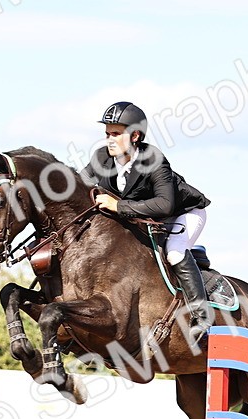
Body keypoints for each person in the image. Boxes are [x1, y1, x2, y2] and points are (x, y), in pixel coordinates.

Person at [79, 101, 213, 347]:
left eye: (116, 134)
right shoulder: (101, 157)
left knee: (174, 252)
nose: (109, 139)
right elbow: (79, 189)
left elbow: (164, 205)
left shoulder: (154, 160)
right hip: (144, 216)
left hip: (182, 214)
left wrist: (117, 206)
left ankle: (202, 319)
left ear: (136, 135)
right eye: (107, 133)